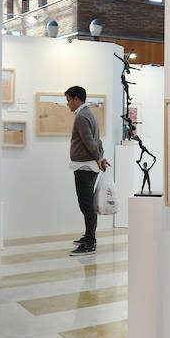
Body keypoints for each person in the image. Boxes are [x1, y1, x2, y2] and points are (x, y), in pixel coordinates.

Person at [65, 86, 109, 256]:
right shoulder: (89, 114)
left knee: (86, 206)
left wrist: (98, 158)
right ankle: (89, 237)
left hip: (85, 167)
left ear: (77, 99)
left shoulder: (82, 117)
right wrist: (100, 157)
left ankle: (90, 243)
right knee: (87, 205)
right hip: (89, 166)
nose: (68, 104)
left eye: (69, 100)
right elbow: (98, 141)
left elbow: (89, 141)